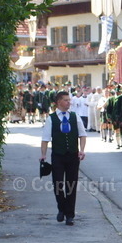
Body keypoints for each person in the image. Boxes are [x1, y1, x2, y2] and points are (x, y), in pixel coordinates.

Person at [40, 90, 88, 226]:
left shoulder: (75, 116)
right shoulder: (51, 119)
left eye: (69, 100)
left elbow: (82, 135)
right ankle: (61, 208)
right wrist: (43, 155)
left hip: (73, 156)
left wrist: (82, 150)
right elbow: (45, 139)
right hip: (58, 156)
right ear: (59, 102)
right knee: (58, 184)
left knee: (71, 185)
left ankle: (70, 215)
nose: (69, 102)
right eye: (66, 100)